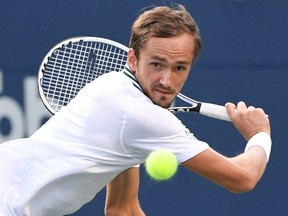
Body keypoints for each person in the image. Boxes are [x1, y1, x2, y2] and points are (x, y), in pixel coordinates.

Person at [0, 4, 271, 216]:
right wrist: (259, 135)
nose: (167, 80)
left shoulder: (117, 92)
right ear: (133, 58)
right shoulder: (142, 116)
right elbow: (242, 179)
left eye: (179, 67)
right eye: (156, 64)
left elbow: (121, 209)